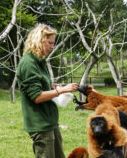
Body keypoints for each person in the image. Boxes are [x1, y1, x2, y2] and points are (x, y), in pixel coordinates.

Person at [16, 24, 78, 158]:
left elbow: (39, 86)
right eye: (49, 43)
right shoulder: (28, 63)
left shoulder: (40, 61)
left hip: (50, 122)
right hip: (40, 124)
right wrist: (61, 91)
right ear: (39, 40)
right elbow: (37, 97)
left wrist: (51, 86)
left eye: (53, 43)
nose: (52, 47)